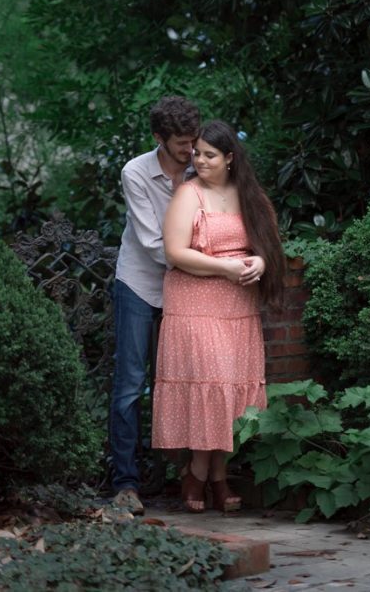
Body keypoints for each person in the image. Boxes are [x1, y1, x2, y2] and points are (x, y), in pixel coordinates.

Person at [151, 120, 283, 513]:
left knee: (229, 391)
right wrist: (225, 268)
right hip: (195, 304)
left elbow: (269, 244)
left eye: (210, 155)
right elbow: (175, 252)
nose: (200, 160)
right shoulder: (188, 194)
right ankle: (202, 473)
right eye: (197, 153)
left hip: (237, 307)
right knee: (208, 384)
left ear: (230, 158)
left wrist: (259, 260)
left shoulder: (249, 195)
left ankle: (210, 475)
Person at [107, 96, 201, 515]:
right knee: (130, 385)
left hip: (191, 286)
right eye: (182, 143)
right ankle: (126, 484)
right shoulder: (136, 172)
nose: (190, 149)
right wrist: (211, 263)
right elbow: (151, 243)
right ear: (158, 138)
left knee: (190, 380)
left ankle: (190, 478)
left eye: (193, 140)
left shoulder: (205, 165)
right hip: (141, 284)